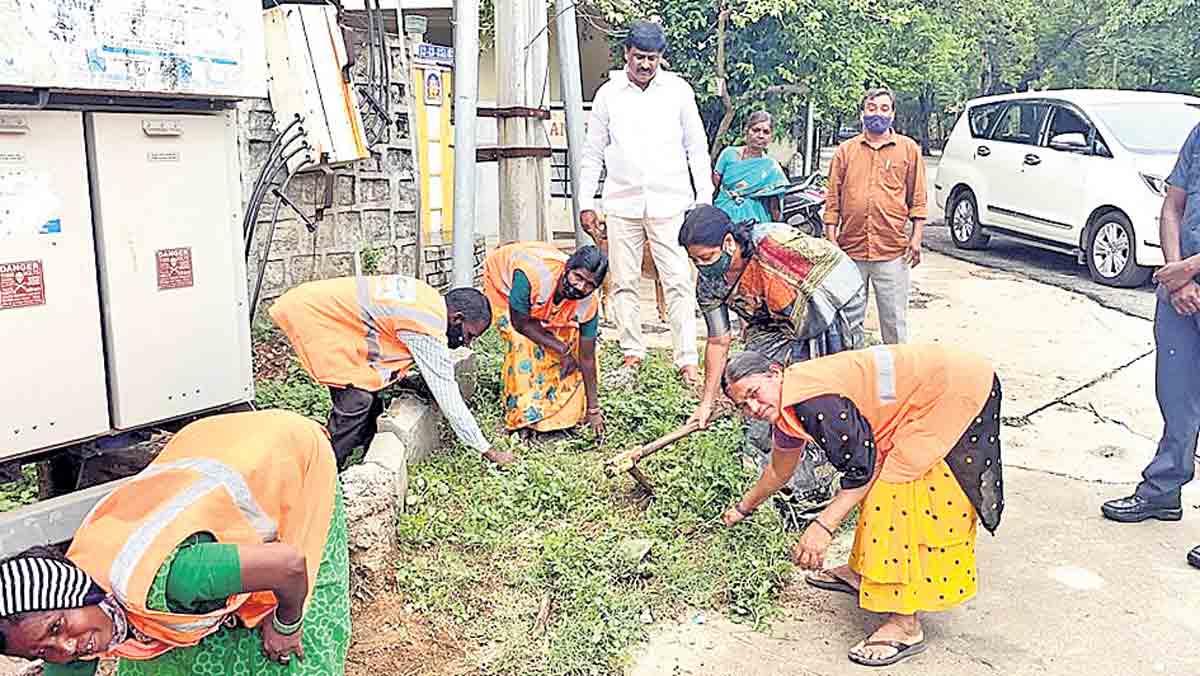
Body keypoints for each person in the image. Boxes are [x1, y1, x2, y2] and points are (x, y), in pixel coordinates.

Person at [0, 410, 350, 675]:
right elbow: (65, 660)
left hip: (283, 457)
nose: (64, 648)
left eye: (57, 629)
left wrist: (287, 625)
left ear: (75, 594)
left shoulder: (178, 576)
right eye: (42, 652)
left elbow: (289, 565)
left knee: (297, 652)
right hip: (204, 451)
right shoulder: (70, 617)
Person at [721, 346, 1004, 667]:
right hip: (927, 387)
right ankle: (863, 572)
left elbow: (862, 471)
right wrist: (742, 509)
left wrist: (822, 528)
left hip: (953, 386)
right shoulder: (786, 406)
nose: (754, 408)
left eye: (754, 394)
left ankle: (905, 625)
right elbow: (778, 471)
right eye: (743, 405)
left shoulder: (816, 403)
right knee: (879, 483)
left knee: (895, 494)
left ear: (774, 373)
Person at [679, 205, 866, 526]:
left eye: (706, 257)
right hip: (773, 324)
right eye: (694, 260)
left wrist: (806, 358)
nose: (701, 266)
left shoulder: (774, 244)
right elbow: (718, 340)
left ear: (728, 242)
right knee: (755, 389)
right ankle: (770, 475)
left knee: (814, 399)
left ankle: (818, 489)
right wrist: (706, 402)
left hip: (829, 308)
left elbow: (831, 280)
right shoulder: (709, 284)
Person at [578, 19, 712, 385]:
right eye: (639, 57)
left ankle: (687, 361)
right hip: (621, 204)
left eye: (652, 58)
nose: (645, 64)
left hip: (671, 204)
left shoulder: (678, 91)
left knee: (679, 281)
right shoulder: (608, 94)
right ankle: (632, 354)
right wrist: (586, 201)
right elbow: (593, 152)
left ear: (660, 57)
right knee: (624, 281)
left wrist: (703, 200)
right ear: (627, 54)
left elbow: (696, 147)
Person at [269, 275, 513, 468]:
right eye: (469, 335)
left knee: (368, 389)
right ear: (457, 318)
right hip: (316, 316)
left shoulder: (429, 299)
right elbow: (447, 393)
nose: (466, 343)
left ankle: (362, 448)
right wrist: (487, 450)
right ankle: (323, 470)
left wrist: (403, 379)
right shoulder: (426, 324)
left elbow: (384, 335)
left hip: (321, 308)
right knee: (357, 398)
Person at [1101, 120, 1200, 570]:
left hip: (1186, 277)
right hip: (1180, 297)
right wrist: (1177, 276)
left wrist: (1187, 269)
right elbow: (1172, 207)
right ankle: (1163, 491)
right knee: (1176, 398)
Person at [823, 87, 928, 344]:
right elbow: (832, 199)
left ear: (893, 113)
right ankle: (853, 367)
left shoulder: (908, 149)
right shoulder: (845, 151)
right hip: (851, 251)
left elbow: (918, 198)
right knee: (848, 322)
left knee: (894, 323)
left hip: (892, 250)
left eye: (883, 108)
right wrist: (831, 240)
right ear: (862, 113)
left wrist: (916, 238)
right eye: (871, 108)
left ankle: (899, 368)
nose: (877, 114)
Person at [483, 242, 607, 438]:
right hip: (504, 289)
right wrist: (561, 349)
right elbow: (520, 324)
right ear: (567, 267)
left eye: (590, 285)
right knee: (522, 343)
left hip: (544, 302)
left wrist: (594, 409)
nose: (581, 287)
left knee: (572, 343)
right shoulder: (533, 275)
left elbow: (587, 357)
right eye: (578, 277)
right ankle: (523, 417)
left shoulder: (588, 303)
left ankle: (565, 414)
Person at [713, 111, 791, 224]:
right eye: (756, 130)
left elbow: (774, 204)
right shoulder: (729, 154)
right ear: (746, 131)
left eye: (766, 132)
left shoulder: (771, 166)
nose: (760, 135)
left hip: (756, 217)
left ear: (771, 137)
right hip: (723, 210)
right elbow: (715, 181)